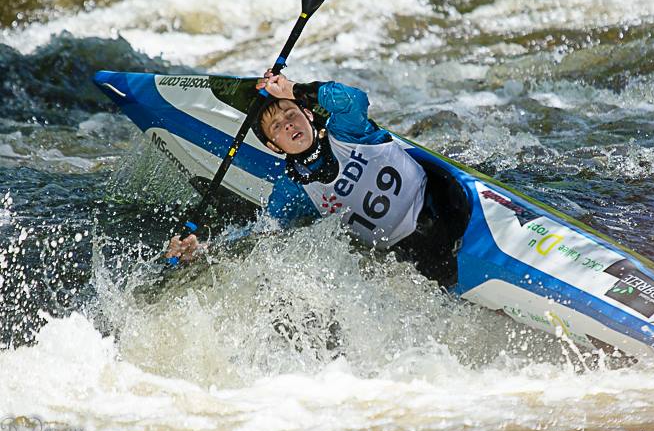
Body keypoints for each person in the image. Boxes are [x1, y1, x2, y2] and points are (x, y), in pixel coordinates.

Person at [166, 72, 462, 286]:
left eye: (291, 114)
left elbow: (354, 99)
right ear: (274, 146)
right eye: (276, 127)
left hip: (446, 205)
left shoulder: (346, 131)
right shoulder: (293, 190)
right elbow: (261, 235)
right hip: (408, 252)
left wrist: (292, 88)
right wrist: (203, 249)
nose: (288, 125)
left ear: (308, 115)